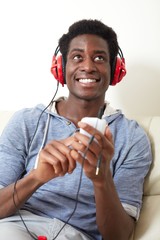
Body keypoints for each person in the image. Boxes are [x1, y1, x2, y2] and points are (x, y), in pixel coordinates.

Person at [0, 19, 152, 240]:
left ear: (115, 70)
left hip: (78, 235)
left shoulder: (132, 137)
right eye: (77, 57)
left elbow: (120, 236)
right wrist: (36, 177)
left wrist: (102, 180)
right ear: (61, 68)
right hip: (15, 228)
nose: (88, 66)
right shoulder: (27, 121)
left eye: (99, 58)